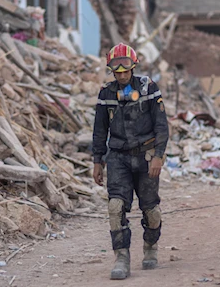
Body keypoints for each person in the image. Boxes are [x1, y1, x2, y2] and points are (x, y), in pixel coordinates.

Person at [92, 43, 169, 280]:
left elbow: (161, 126)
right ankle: (122, 258)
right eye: (118, 71)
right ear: (112, 71)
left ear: (133, 68)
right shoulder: (106, 94)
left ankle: (150, 247)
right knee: (115, 207)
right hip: (118, 157)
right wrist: (97, 161)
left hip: (146, 157)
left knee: (151, 210)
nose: (123, 75)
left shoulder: (149, 88)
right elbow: (99, 130)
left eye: (126, 71)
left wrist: (158, 156)